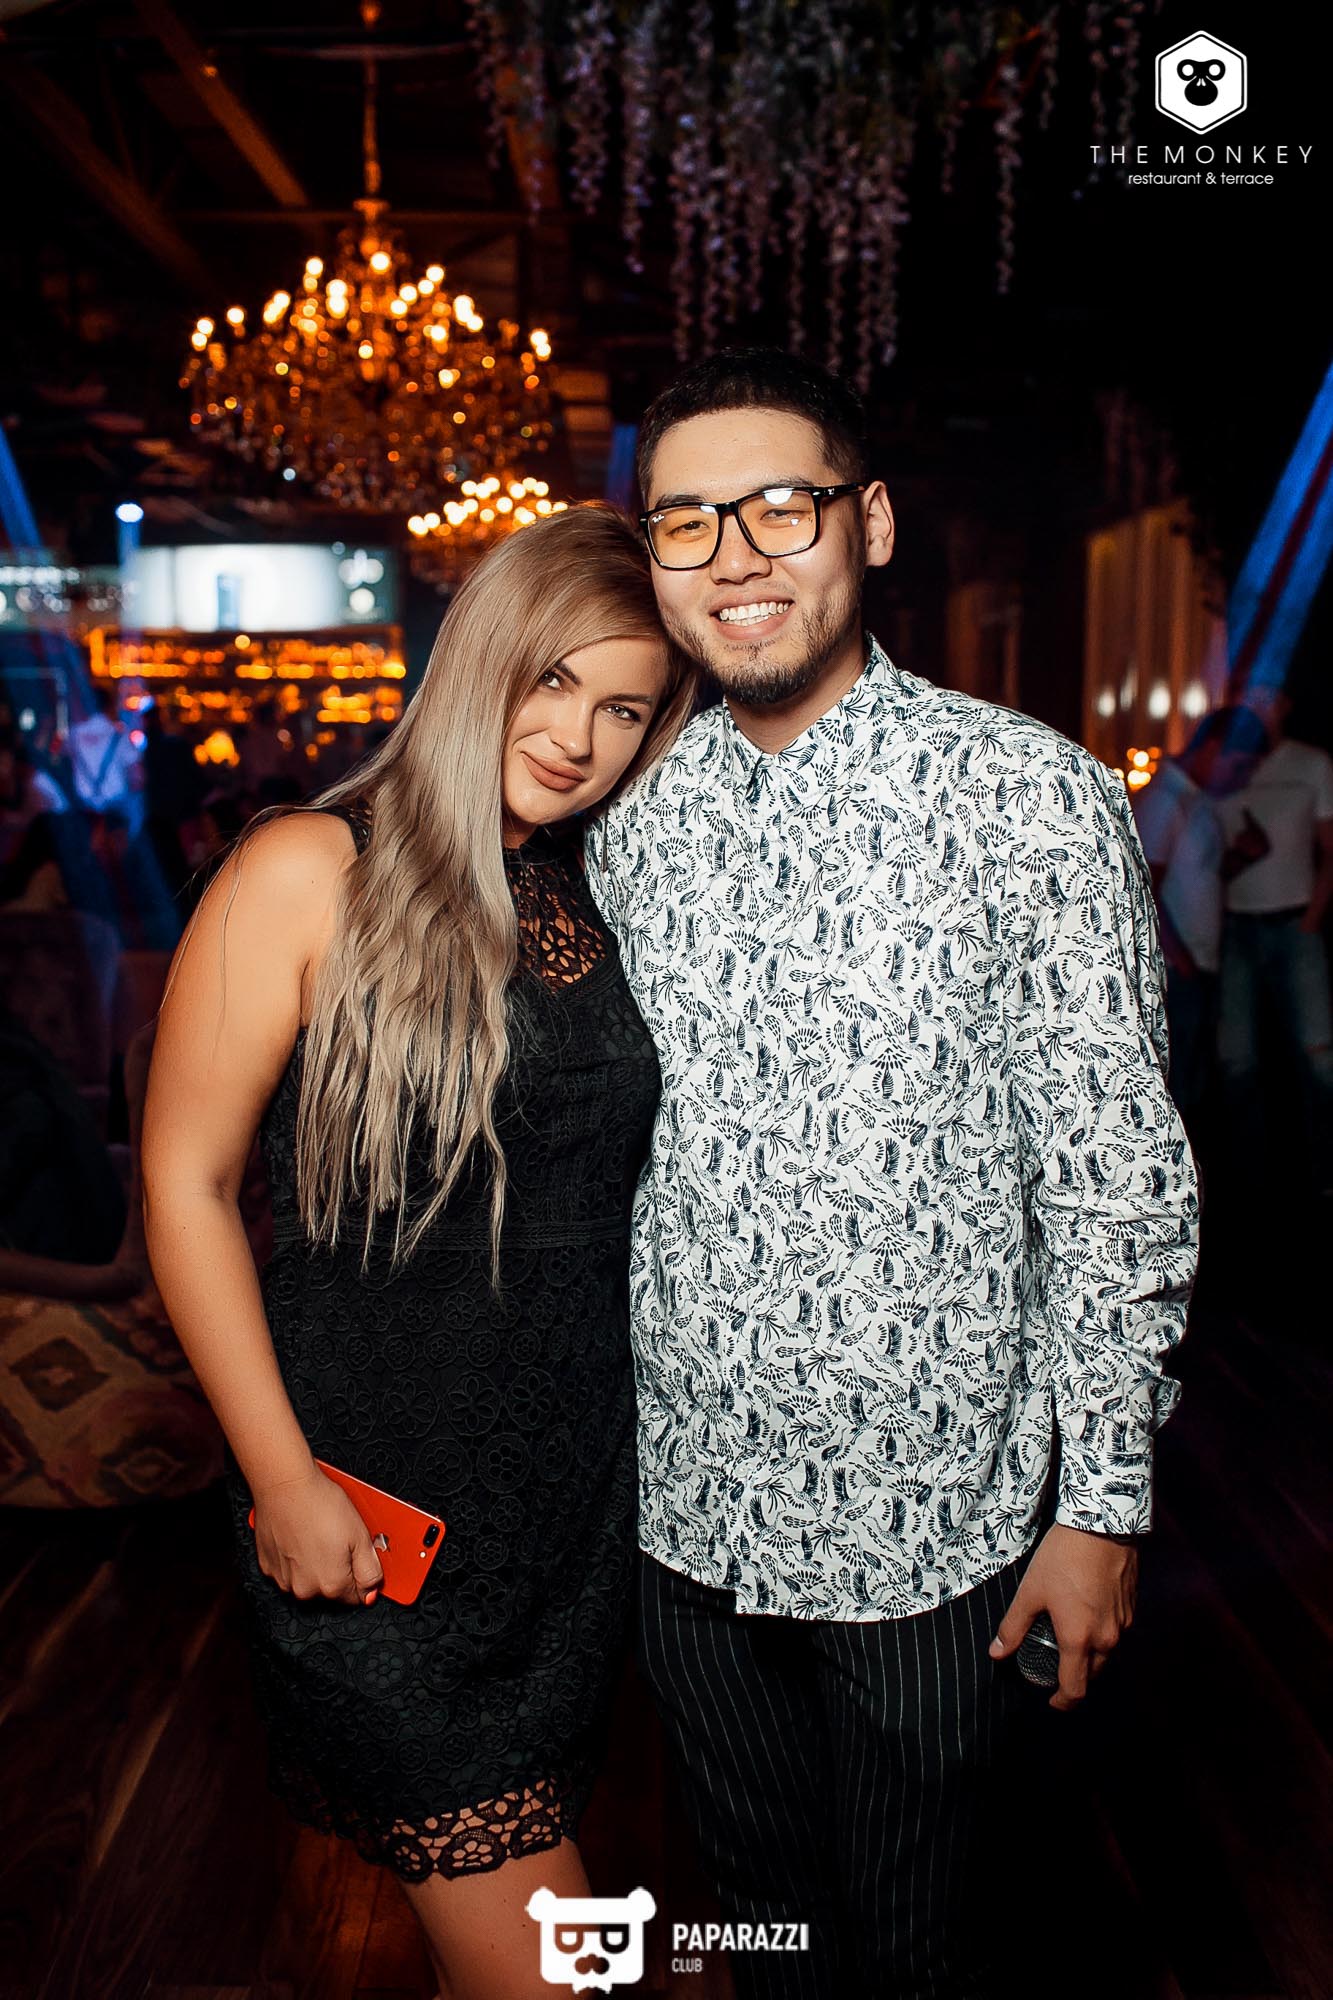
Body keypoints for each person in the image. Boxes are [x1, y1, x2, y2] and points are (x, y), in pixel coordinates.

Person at [585, 349, 1199, 1999]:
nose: (735, 557)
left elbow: (1114, 1178)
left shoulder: (1028, 795)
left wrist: (1102, 1509)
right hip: (687, 1508)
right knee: (757, 1916)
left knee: (932, 1941)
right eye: (686, 522)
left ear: (866, 524)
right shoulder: (629, 821)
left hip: (938, 1521)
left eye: (778, 508)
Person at [141, 504, 697, 2000]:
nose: (579, 736)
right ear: (476, 659)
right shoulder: (308, 864)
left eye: (626, 707)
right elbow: (186, 1182)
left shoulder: (597, 890)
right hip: (381, 1513)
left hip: (569, 1515)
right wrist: (280, 1478)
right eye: (553, 679)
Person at [1213, 688, 1333, 1197]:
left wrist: (1312, 918)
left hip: (1292, 924)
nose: (1259, 705)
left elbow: (1330, 848)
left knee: (1317, 1054)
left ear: (1286, 704)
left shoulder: (1311, 763)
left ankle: (1325, 1174)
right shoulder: (1229, 766)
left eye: (1270, 696)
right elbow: (1212, 853)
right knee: (1236, 1059)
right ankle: (1250, 1179)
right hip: (1237, 926)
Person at [1131, 705, 1267, 1131]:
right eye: (1239, 765)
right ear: (1213, 748)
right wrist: (1182, 961)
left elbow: (1201, 877)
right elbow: (1143, 891)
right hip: (1177, 972)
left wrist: (1242, 857)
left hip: (1196, 965)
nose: (1242, 777)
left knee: (1193, 1083)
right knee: (1178, 1092)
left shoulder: (1196, 799)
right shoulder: (1164, 800)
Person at [66, 681, 144, 829]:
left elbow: (59, 757)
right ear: (109, 705)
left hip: (85, 810)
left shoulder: (74, 733)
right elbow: (137, 777)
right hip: (116, 808)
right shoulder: (119, 733)